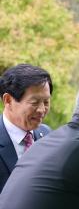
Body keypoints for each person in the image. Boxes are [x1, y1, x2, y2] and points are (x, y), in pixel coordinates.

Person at [0, 64, 52, 192]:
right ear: (8, 100)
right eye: (34, 103)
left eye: (46, 102)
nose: (41, 110)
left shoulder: (47, 135)